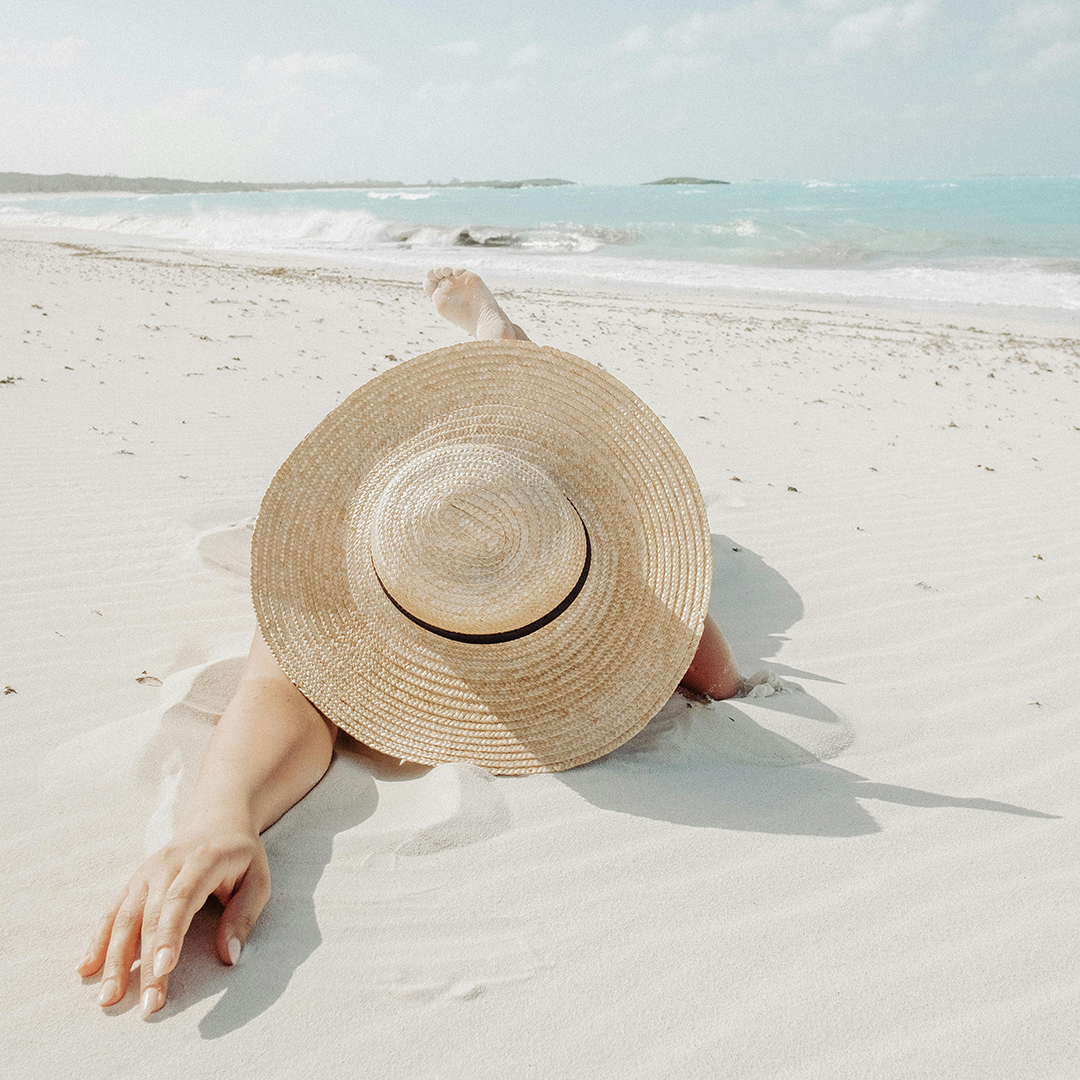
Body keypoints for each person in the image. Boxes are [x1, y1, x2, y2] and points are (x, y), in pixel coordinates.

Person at [77, 267, 743, 1019]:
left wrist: (647, 599)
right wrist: (219, 816)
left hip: (519, 488)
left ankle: (495, 331)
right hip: (419, 493)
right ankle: (493, 335)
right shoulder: (364, 558)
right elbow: (281, 689)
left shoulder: (557, 530)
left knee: (515, 390)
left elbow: (711, 669)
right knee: (504, 398)